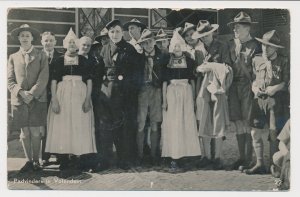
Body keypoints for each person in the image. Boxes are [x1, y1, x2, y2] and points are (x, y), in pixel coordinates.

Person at [45, 28, 97, 171]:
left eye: (74, 43)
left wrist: (87, 100)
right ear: (65, 44)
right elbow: (54, 81)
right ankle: (64, 158)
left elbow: (90, 81)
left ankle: (77, 157)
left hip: (80, 94)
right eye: (70, 42)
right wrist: (55, 100)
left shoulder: (83, 61)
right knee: (63, 125)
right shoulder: (58, 60)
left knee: (79, 124)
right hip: (62, 95)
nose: (72, 45)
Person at [95, 19, 143, 170]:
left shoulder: (129, 49)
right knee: (105, 127)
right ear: (108, 34)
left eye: (117, 31)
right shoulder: (104, 49)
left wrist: (131, 92)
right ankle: (105, 159)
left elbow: (137, 73)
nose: (115, 34)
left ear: (122, 33)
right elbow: (99, 71)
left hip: (124, 93)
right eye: (112, 32)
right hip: (106, 92)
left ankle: (124, 159)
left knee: (124, 127)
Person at [243, 30, 289, 175]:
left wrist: (275, 88)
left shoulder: (284, 60)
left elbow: (286, 82)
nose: (265, 49)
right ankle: (259, 163)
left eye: (269, 46)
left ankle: (273, 165)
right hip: (259, 100)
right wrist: (254, 88)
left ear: (276, 48)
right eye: (263, 45)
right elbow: (253, 80)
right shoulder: (257, 59)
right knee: (254, 132)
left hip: (276, 101)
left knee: (273, 133)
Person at [8, 24, 49, 173]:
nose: (25, 38)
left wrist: (32, 93)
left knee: (35, 131)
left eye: (27, 35)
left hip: (37, 99)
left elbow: (44, 77)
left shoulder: (41, 55)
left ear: (32, 38)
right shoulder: (13, 57)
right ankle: (28, 161)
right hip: (20, 100)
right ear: (18, 38)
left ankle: (37, 161)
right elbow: (10, 80)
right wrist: (20, 92)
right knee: (24, 132)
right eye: (22, 36)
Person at [192, 20, 232, 170]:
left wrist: (212, 66)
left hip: (217, 89)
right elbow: (195, 71)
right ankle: (206, 156)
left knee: (218, 120)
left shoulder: (222, 46)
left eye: (207, 34)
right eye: (202, 35)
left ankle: (218, 157)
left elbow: (228, 66)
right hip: (203, 89)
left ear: (212, 33)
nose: (205, 37)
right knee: (203, 120)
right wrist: (198, 69)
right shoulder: (198, 50)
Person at [161, 28, 201, 173]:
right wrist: (164, 100)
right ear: (172, 46)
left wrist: (195, 98)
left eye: (179, 45)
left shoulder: (189, 60)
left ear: (183, 46)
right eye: (175, 45)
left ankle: (187, 155)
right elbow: (164, 81)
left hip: (186, 93)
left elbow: (193, 81)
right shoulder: (167, 60)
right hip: (172, 92)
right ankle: (174, 156)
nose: (177, 48)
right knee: (174, 123)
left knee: (186, 122)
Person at [227, 11, 261, 170]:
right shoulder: (232, 44)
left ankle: (249, 158)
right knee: (238, 122)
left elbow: (258, 71)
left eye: (238, 27)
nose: (235, 30)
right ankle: (241, 157)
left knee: (248, 123)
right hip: (234, 87)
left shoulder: (256, 46)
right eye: (234, 27)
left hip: (248, 87)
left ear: (247, 28)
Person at [135, 29, 169, 166]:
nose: (148, 44)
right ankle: (140, 155)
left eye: (150, 41)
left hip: (156, 91)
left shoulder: (162, 56)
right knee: (141, 123)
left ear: (155, 41)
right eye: (145, 42)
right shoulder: (138, 57)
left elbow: (166, 76)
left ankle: (155, 155)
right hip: (142, 91)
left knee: (155, 122)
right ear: (142, 45)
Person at [40, 31, 61, 166]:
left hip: (57, 95)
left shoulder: (61, 57)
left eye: (51, 40)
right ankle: (44, 156)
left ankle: (59, 154)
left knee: (58, 123)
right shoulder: (38, 56)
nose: (48, 43)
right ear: (42, 42)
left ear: (55, 42)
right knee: (44, 125)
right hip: (42, 95)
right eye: (46, 40)